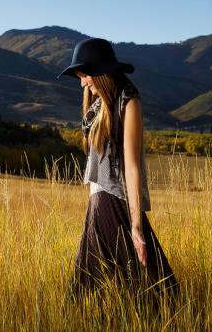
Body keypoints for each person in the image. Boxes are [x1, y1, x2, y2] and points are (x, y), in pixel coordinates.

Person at [57, 38, 177, 297]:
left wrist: (136, 224)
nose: (82, 82)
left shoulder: (128, 102)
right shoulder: (98, 106)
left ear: (102, 72)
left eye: (85, 75)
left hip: (115, 201)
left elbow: (132, 167)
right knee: (109, 283)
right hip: (99, 201)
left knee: (156, 286)